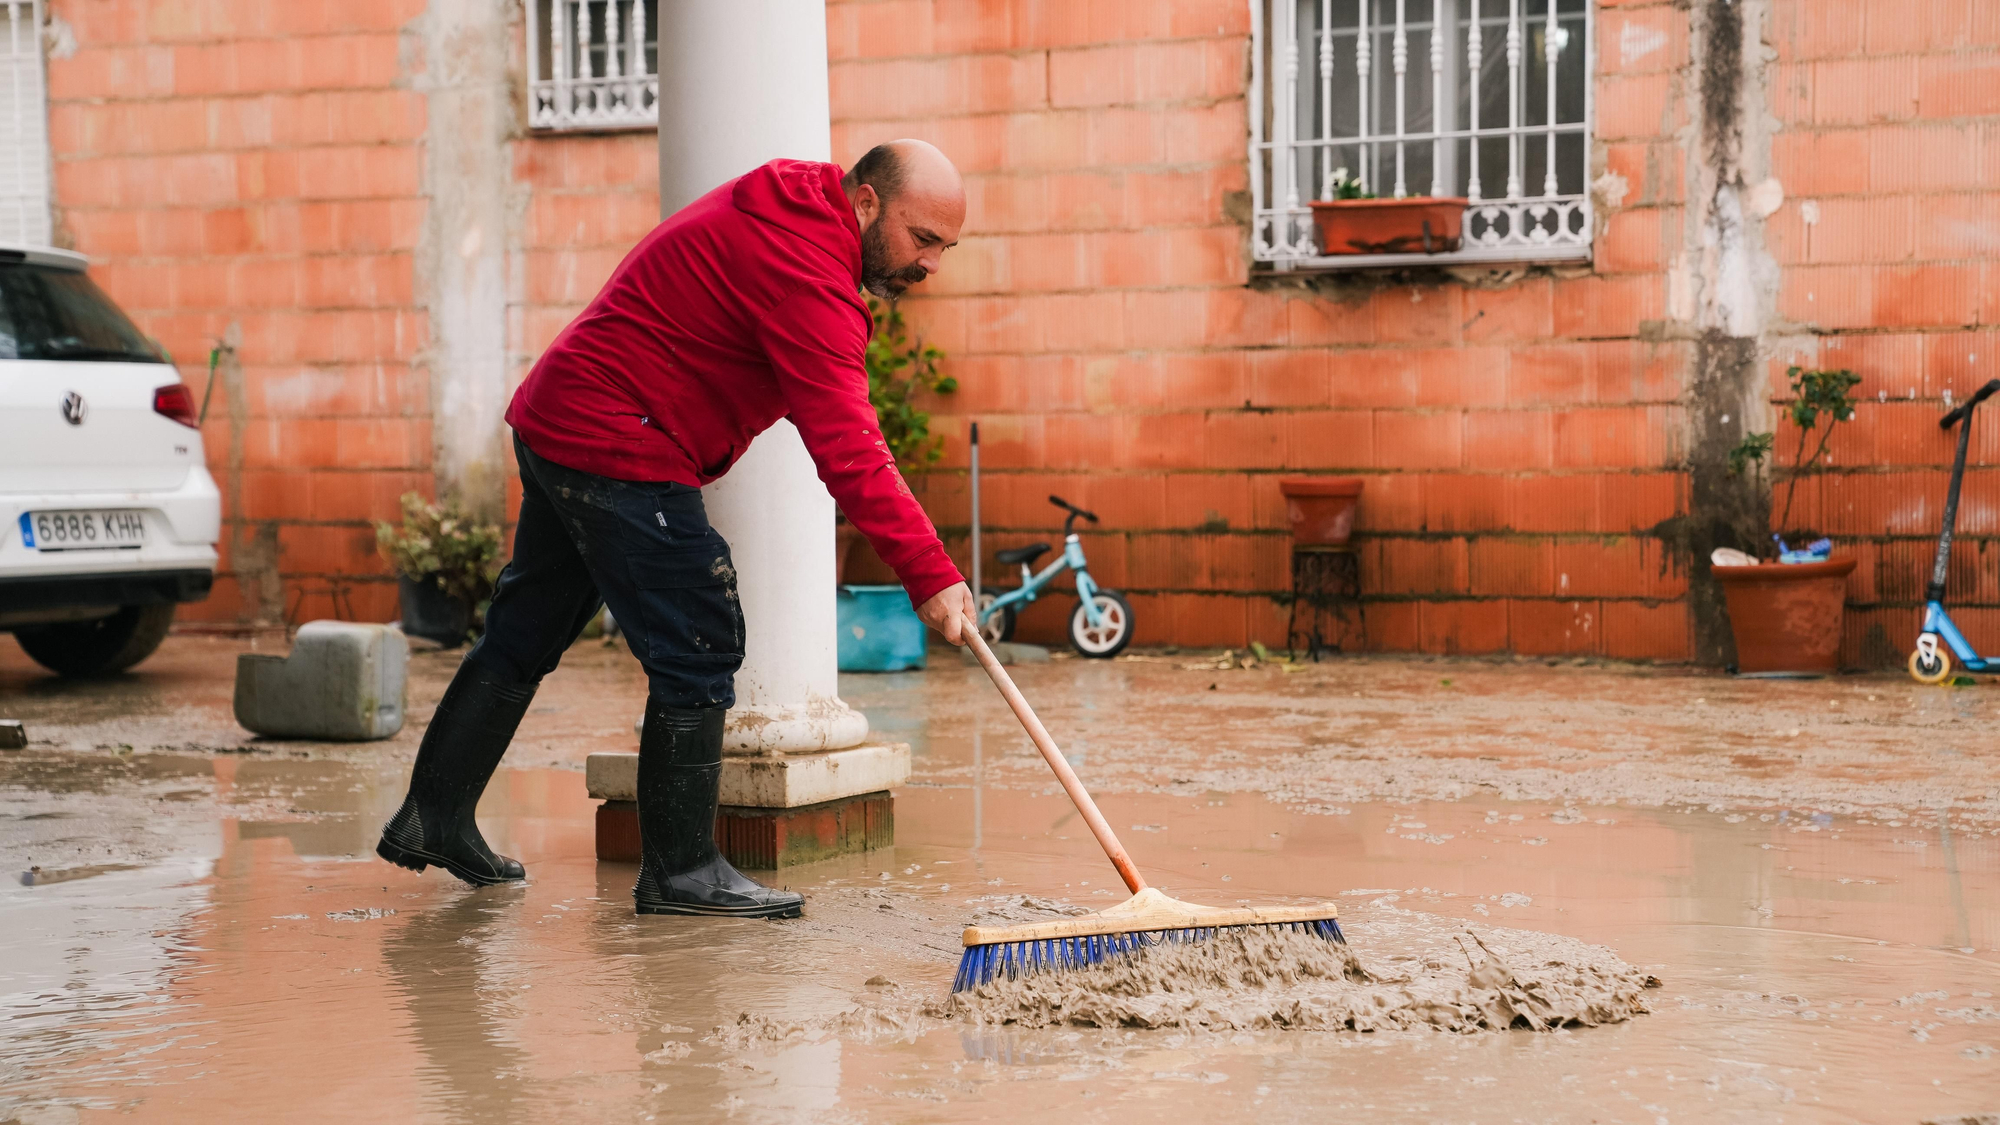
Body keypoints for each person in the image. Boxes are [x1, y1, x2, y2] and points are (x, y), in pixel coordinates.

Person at [376, 141, 975, 919]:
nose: (931, 264)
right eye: (922, 238)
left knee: (526, 629)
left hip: (566, 414)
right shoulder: (808, 274)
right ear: (865, 203)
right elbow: (851, 450)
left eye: (945, 247)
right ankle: (682, 872)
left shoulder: (793, 206)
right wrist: (931, 574)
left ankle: (433, 814)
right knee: (699, 632)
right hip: (617, 436)